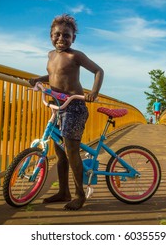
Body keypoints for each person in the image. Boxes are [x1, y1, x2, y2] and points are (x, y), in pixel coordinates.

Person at [29, 14, 104, 210]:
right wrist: (40, 78)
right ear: (50, 35)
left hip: (74, 107)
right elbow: (56, 74)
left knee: (71, 152)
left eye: (66, 36)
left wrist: (93, 92)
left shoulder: (75, 55)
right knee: (60, 154)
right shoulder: (50, 55)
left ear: (73, 38)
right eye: (57, 35)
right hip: (57, 105)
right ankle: (64, 191)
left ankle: (80, 195)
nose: (61, 39)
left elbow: (98, 71)